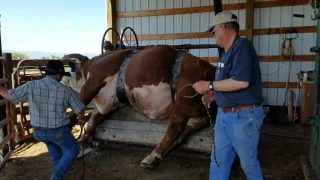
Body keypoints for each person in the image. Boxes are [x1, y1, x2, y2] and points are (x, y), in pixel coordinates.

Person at [193, 11, 264, 180]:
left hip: (243, 117)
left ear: (223, 28)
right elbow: (229, 83)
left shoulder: (242, 47)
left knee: (249, 164)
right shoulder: (226, 52)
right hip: (225, 115)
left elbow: (241, 82)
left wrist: (208, 85)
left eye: (214, 31)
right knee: (218, 161)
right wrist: (215, 95)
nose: (213, 35)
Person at [0, 60, 87, 180]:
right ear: (58, 74)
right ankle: (56, 177)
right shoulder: (66, 91)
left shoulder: (31, 86)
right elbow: (81, 112)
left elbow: (9, 95)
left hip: (39, 132)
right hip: (58, 132)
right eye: (61, 75)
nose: (61, 78)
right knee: (73, 149)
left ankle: (59, 177)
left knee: (55, 151)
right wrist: (82, 119)